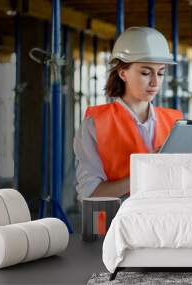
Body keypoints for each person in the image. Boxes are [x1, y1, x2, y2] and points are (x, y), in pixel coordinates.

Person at [74, 27, 183, 201]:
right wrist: (147, 171)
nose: (155, 82)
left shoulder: (175, 121)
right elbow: (90, 194)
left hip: (168, 220)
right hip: (119, 222)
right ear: (122, 72)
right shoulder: (95, 123)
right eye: (145, 72)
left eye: (161, 73)